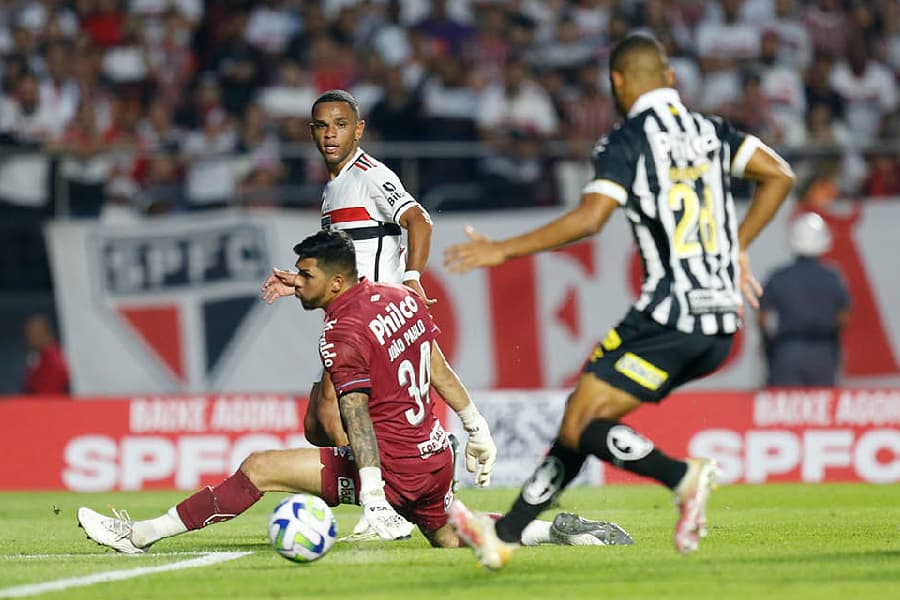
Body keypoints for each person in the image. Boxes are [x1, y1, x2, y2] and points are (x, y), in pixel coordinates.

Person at [443, 32, 795, 569]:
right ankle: (505, 536)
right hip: (721, 323)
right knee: (578, 422)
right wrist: (735, 248)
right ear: (671, 78)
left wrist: (502, 250)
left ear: (617, 83)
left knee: (582, 422)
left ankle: (683, 477)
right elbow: (779, 173)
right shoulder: (712, 131)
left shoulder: (627, 141)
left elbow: (589, 219)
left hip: (668, 313)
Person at [77, 231, 632, 553]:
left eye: (307, 275)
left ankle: (141, 536)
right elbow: (434, 363)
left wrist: (371, 492)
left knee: (261, 466)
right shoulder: (395, 297)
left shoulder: (341, 333)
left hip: (394, 467)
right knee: (447, 535)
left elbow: (356, 414)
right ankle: (556, 532)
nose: (300, 281)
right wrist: (475, 425)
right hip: (436, 454)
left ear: (336, 282)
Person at [259, 89, 492, 540]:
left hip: (375, 317)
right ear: (311, 132)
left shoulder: (369, 175)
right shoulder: (334, 187)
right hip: (355, 313)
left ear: (358, 129)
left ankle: (380, 501)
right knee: (316, 424)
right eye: (323, 126)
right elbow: (349, 258)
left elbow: (419, 219)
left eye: (341, 125)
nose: (331, 134)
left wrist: (412, 278)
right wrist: (299, 280)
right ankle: (418, 469)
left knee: (332, 413)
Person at [759, 212, 849, 386]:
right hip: (823, 351)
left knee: (786, 407)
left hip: (787, 350)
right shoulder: (832, 277)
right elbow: (843, 317)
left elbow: (762, 318)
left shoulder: (779, 277)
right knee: (821, 407)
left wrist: (771, 343)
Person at [22, 313, 70, 395]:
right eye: (28, 334)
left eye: (33, 333)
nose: (29, 338)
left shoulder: (55, 359)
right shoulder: (37, 357)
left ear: (45, 333)